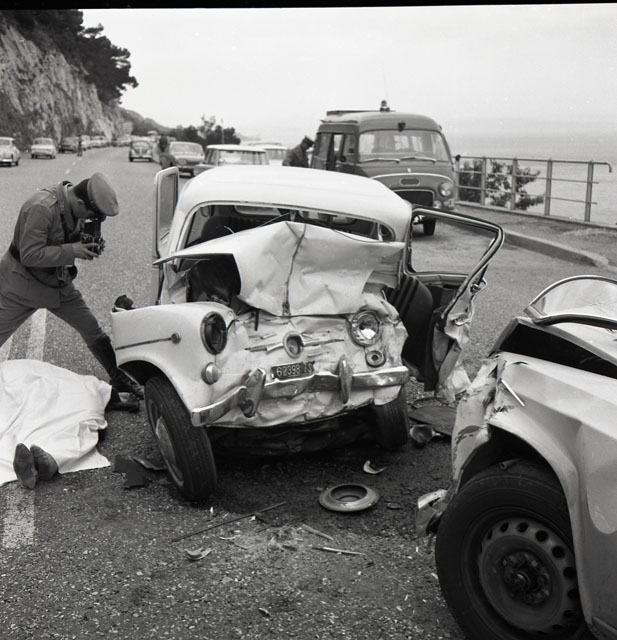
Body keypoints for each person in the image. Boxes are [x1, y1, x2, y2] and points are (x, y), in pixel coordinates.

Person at [0, 172, 143, 408]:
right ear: (79, 203)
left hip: (57, 283)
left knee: (92, 330)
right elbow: (30, 254)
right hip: (21, 284)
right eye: (90, 215)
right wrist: (73, 250)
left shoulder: (74, 208)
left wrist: (88, 245)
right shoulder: (41, 208)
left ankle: (119, 378)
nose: (90, 220)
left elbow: (69, 236)